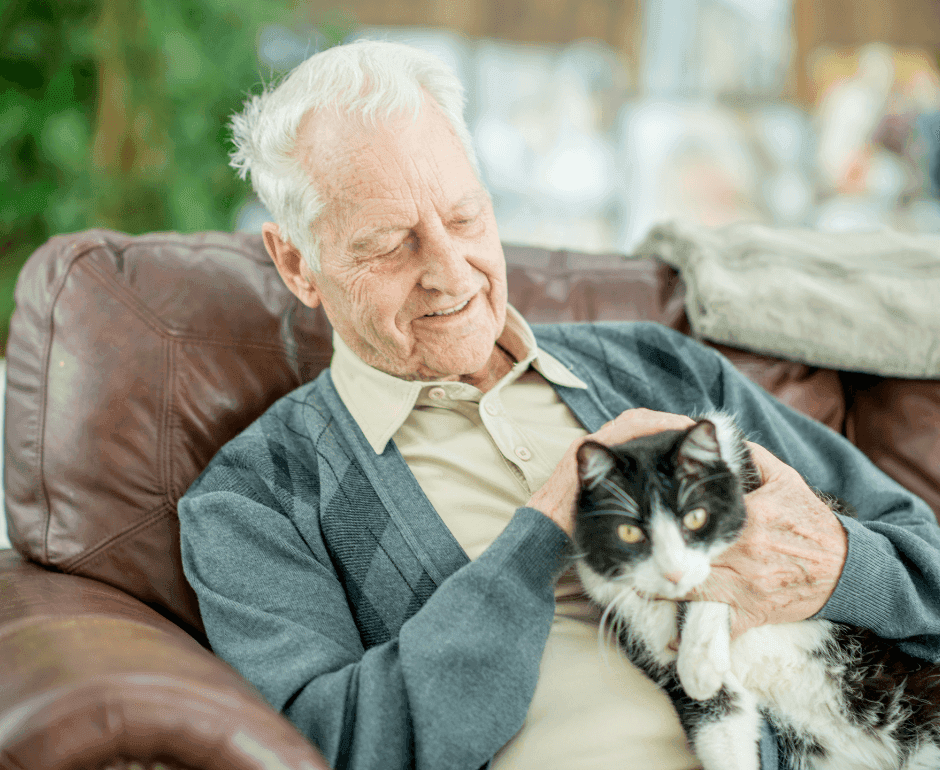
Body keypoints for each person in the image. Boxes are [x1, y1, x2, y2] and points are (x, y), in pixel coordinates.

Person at [178, 40, 940, 770]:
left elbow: (924, 563)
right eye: (388, 243)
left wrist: (836, 564)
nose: (450, 272)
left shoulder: (656, 366)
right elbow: (346, 747)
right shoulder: (258, 499)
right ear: (296, 264)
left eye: (466, 217)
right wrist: (542, 526)